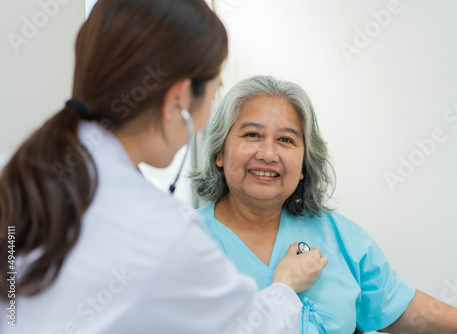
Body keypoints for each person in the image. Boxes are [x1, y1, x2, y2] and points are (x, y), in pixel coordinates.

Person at [0, 2, 328, 333]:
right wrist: (285, 286)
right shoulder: (162, 232)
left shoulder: (14, 168)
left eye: (286, 141)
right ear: (179, 101)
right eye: (215, 92)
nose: (268, 153)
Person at [191, 75, 457, 334]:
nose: (268, 154)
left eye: (286, 140)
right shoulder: (185, 241)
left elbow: (398, 307)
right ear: (219, 152)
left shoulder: (340, 237)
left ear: (303, 167)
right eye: (252, 134)